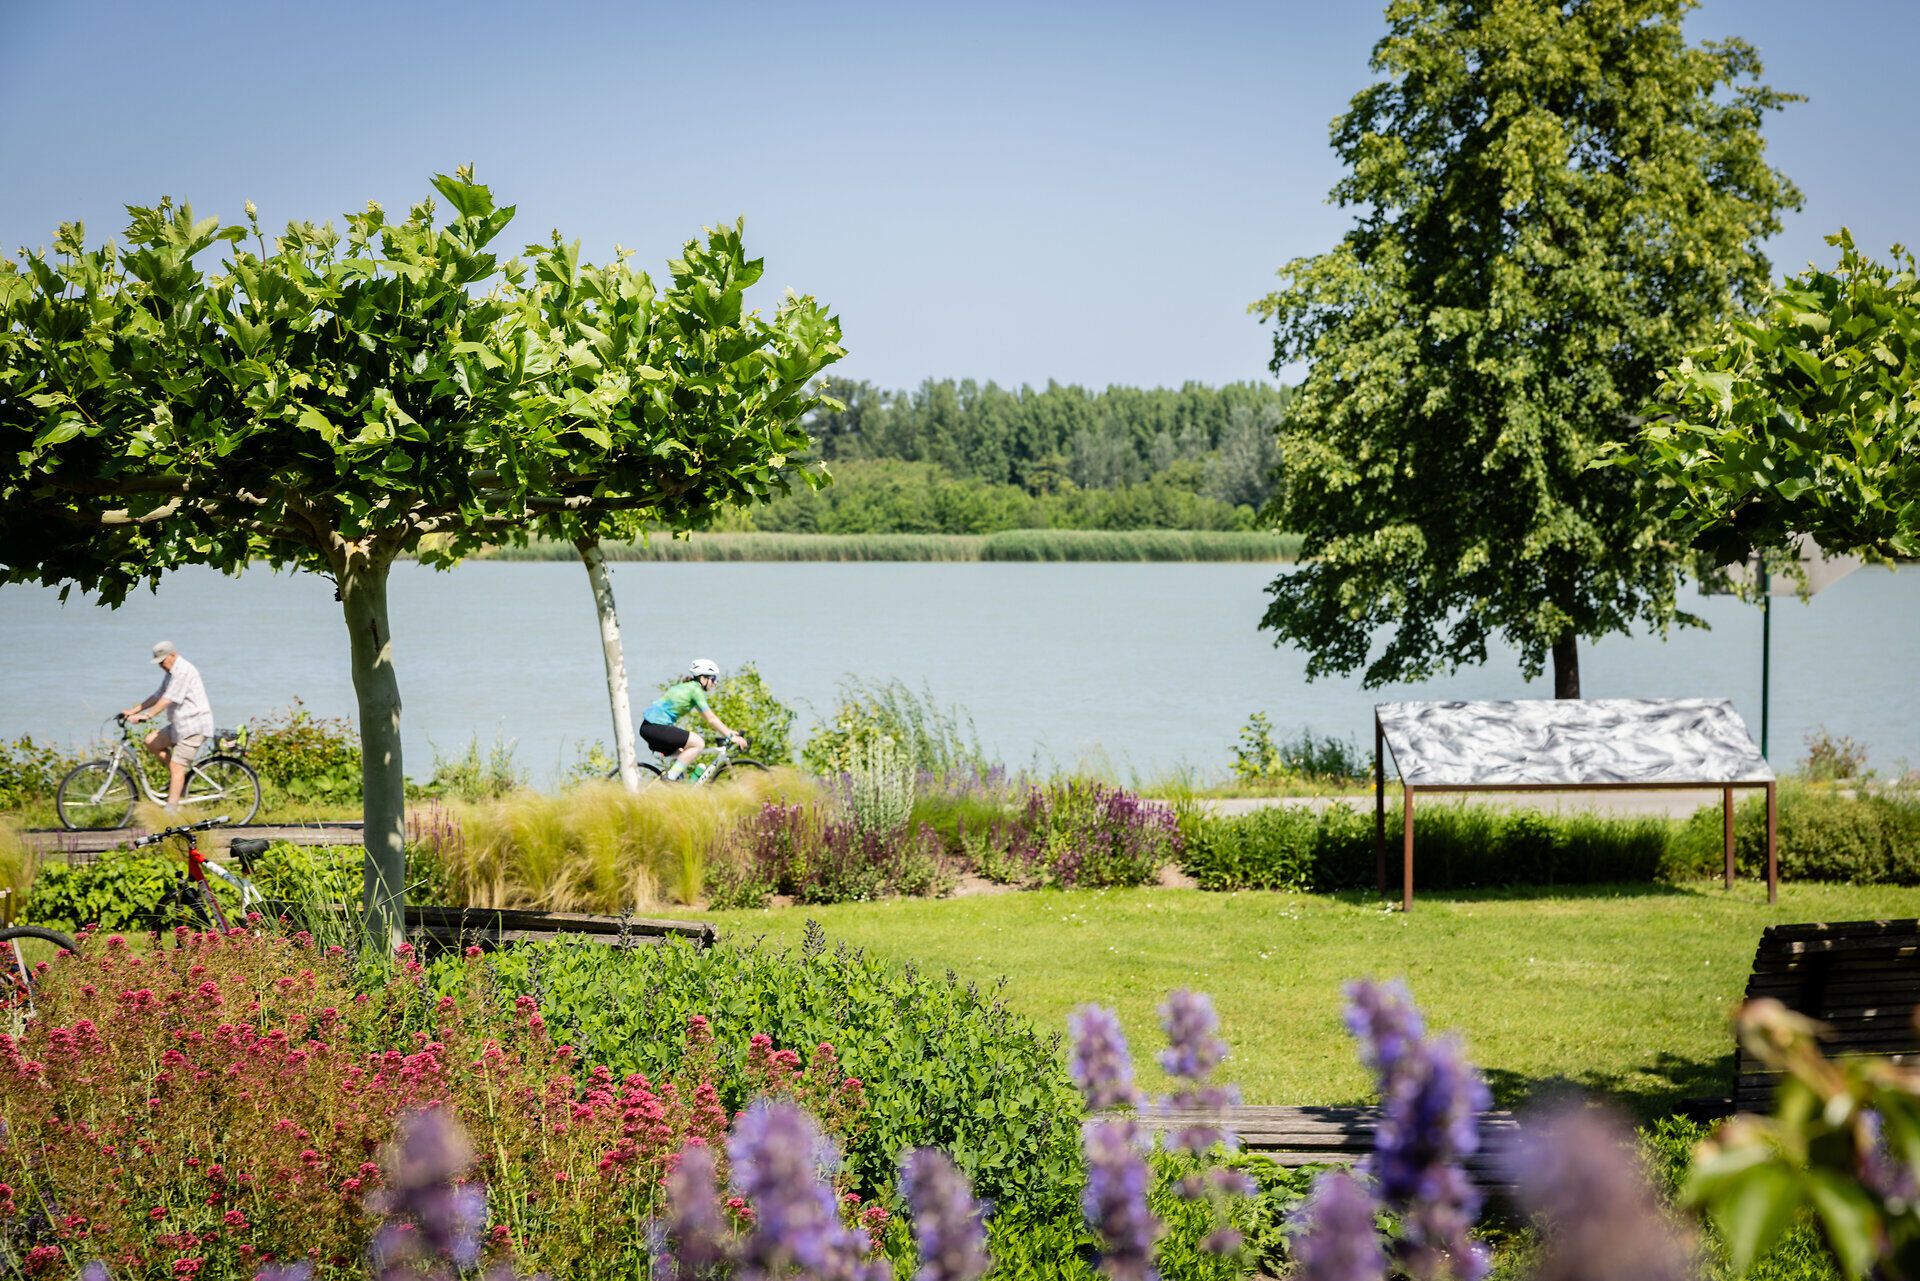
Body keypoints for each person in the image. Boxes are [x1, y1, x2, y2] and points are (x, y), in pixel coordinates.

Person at [120, 640, 216, 811]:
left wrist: (146, 716)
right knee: (151, 742)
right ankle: (177, 778)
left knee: (176, 766)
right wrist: (133, 710)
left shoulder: (183, 671)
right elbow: (158, 694)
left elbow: (167, 699)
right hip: (180, 725)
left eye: (162, 662)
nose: (161, 666)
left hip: (194, 725)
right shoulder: (171, 671)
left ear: (173, 655)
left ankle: (171, 810)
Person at [640, 658, 746, 780]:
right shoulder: (695, 691)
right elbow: (711, 719)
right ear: (702, 678)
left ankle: (675, 790)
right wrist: (731, 736)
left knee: (682, 755)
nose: (715, 683)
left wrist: (729, 731)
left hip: (649, 728)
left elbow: (711, 719)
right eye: (713, 679)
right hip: (656, 727)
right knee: (698, 743)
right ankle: (670, 778)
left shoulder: (688, 687)